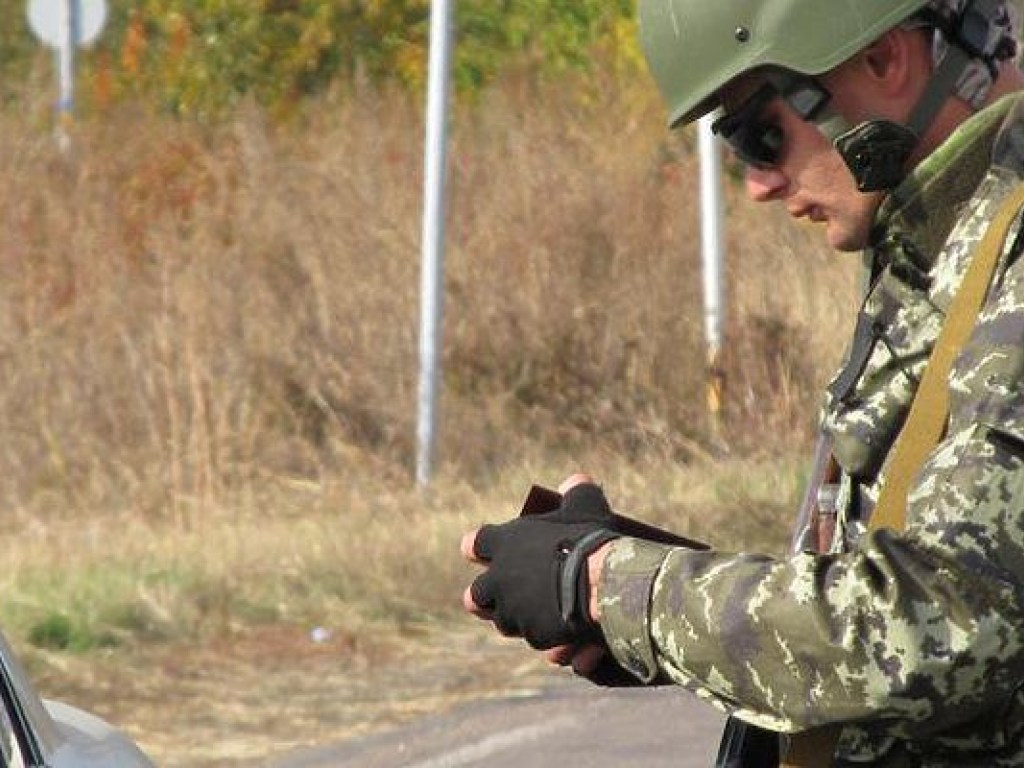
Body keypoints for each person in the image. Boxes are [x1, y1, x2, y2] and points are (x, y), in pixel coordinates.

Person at [461, 0, 1024, 765]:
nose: (758, 184)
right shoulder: (940, 244)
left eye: (759, 133)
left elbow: (944, 624)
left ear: (885, 60)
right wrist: (669, 618)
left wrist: (619, 588)